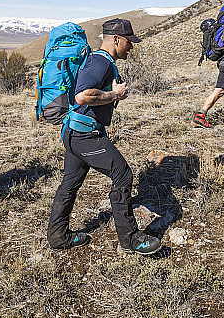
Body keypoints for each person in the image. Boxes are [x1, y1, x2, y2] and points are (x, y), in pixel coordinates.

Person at [47, 18, 162, 255]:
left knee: (70, 184)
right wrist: (114, 94)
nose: (131, 46)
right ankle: (130, 239)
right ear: (116, 39)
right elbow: (82, 96)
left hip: (73, 133)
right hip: (85, 135)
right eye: (129, 41)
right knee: (123, 175)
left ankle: (58, 236)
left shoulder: (97, 61)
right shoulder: (101, 63)